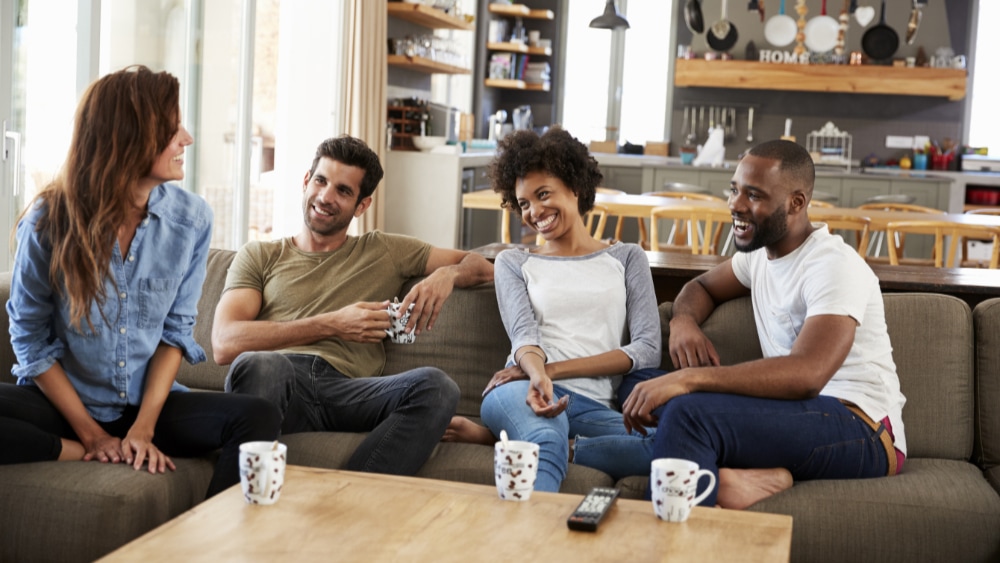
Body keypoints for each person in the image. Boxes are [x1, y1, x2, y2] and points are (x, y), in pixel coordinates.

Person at [2, 65, 281, 498]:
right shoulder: (47, 222)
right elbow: (30, 341)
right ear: (128, 138)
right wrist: (92, 437)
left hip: (146, 406)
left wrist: (143, 429)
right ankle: (72, 449)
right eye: (172, 130)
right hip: (65, 408)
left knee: (258, 417)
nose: (186, 138)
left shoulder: (191, 219)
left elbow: (174, 333)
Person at [622, 139, 907, 509]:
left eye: (753, 195)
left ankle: (660, 542)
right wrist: (683, 321)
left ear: (796, 203)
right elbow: (701, 287)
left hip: (863, 428)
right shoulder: (759, 256)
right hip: (794, 416)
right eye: (734, 190)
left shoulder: (833, 265)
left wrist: (688, 379)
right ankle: (759, 473)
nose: (736, 205)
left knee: (686, 412)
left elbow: (807, 375)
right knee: (637, 383)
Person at [213, 134, 494, 476]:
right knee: (266, 367)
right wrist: (333, 323)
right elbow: (225, 343)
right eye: (321, 181)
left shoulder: (384, 250)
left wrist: (447, 274)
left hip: (348, 391)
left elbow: (485, 266)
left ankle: (351, 496)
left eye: (344, 191)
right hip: (280, 383)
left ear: (362, 205)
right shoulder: (260, 255)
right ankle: (234, 506)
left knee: (436, 388)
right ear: (306, 181)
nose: (326, 197)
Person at [455, 127, 664, 492]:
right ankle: (531, 546)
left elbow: (646, 349)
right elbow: (524, 336)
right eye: (523, 203)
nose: (534, 211)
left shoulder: (627, 257)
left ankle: (510, 441)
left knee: (672, 446)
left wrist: (551, 370)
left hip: (594, 404)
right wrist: (537, 376)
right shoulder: (514, 262)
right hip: (523, 387)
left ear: (574, 187)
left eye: (543, 194)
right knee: (546, 441)